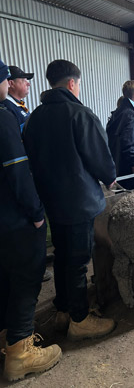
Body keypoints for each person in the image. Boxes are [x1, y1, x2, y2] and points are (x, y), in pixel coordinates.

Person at [23, 59, 117, 340]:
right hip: (78, 202)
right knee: (77, 262)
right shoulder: (80, 114)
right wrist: (109, 177)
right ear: (73, 83)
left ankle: (63, 310)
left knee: (62, 257)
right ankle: (79, 319)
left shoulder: (35, 117)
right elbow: (100, 157)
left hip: (51, 201)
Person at [0, 59, 61, 382]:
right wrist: (37, 214)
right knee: (25, 279)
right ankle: (20, 354)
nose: (12, 84)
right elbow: (17, 171)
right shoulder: (3, 118)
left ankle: (5, 340)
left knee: (4, 278)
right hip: (14, 219)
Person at [1, 65, 52, 282]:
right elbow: (16, 163)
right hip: (20, 184)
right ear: (10, 83)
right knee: (34, 224)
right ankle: (33, 269)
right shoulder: (7, 112)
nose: (28, 83)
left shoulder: (20, 108)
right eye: (24, 80)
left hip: (28, 178)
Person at [106, 80, 134, 190]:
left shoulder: (117, 114)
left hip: (119, 165)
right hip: (133, 169)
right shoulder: (133, 116)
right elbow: (129, 141)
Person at [0, 65, 33, 132]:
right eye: (24, 80)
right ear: (11, 84)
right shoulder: (7, 107)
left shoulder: (17, 104)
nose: (28, 84)